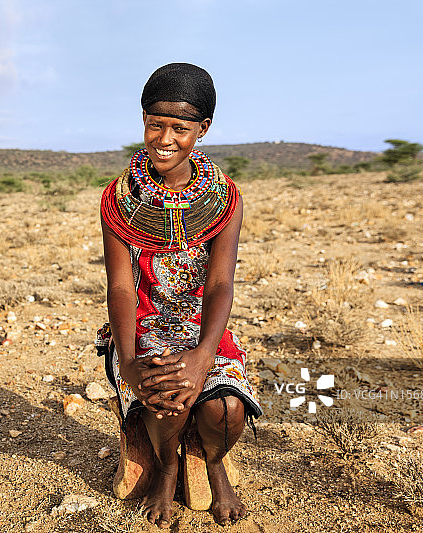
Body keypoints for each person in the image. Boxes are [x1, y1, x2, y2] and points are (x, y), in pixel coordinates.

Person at [96, 63, 262, 528]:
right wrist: (130, 361)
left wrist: (205, 355)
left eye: (180, 128)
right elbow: (121, 287)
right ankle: (168, 468)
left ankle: (213, 462)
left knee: (226, 409)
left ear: (202, 129)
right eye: (155, 124)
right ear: (143, 120)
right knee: (169, 394)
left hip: (201, 327)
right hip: (143, 327)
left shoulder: (224, 198)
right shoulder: (119, 199)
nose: (165, 138)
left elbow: (220, 284)